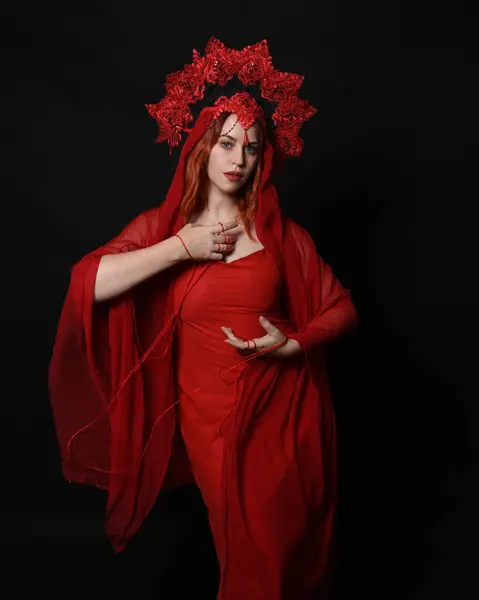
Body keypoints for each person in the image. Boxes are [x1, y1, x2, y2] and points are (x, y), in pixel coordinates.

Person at [48, 37, 359, 600]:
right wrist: (181, 249)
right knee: (242, 544)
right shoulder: (163, 229)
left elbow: (342, 308)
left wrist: (293, 346)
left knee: (282, 545)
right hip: (210, 422)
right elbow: (86, 284)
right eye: (227, 144)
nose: (238, 161)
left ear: (265, 158)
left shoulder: (283, 237)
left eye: (252, 149)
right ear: (202, 148)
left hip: (285, 410)